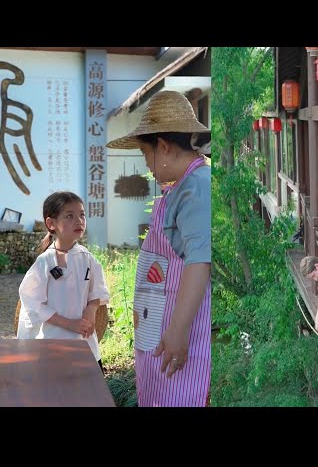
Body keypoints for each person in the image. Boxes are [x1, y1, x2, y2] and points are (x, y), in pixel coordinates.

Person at [106, 90, 211, 407]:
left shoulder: (197, 186)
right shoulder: (179, 187)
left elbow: (199, 262)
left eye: (145, 154)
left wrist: (178, 330)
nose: (146, 164)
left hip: (182, 330)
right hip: (159, 326)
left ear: (163, 146)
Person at [17, 191, 110, 372]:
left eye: (82, 214)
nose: (79, 220)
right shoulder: (44, 262)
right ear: (51, 224)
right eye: (69, 216)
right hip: (52, 344)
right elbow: (32, 302)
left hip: (84, 342)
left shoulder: (87, 258)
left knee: (86, 393)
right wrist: (69, 324)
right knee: (54, 395)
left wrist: (91, 309)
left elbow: (98, 290)